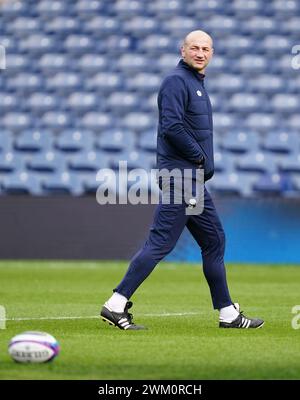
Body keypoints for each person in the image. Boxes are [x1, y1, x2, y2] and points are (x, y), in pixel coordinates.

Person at [100, 30, 264, 330]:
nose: (200, 53)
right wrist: (199, 157)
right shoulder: (176, 81)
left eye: (206, 48)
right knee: (160, 243)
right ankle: (116, 304)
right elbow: (172, 127)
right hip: (181, 178)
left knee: (214, 241)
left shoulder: (194, 83)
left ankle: (228, 313)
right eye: (194, 48)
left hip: (192, 181)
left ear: (212, 52)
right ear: (183, 50)